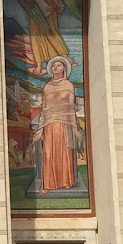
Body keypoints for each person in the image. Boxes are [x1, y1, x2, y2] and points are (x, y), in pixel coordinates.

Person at [30, 56, 83, 193]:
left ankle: (66, 181)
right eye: (53, 66)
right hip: (49, 124)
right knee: (48, 153)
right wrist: (41, 129)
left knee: (64, 151)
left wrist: (75, 127)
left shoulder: (68, 85)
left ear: (64, 68)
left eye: (58, 65)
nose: (55, 67)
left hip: (64, 123)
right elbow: (44, 109)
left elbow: (70, 107)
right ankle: (48, 184)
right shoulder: (47, 87)